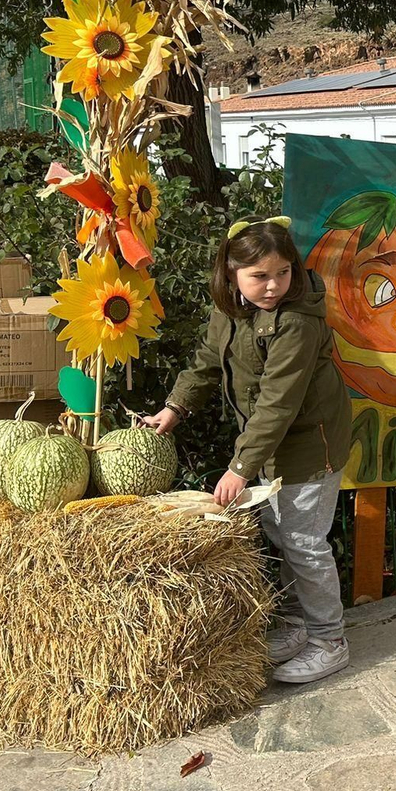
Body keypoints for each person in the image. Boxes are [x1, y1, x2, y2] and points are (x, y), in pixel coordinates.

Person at [143, 217, 353, 685]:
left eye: (283, 273)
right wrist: (174, 408)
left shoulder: (296, 322)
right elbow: (204, 362)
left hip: (307, 446)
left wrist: (241, 467)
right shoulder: (232, 309)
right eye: (260, 276)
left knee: (304, 543)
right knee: (283, 535)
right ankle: (300, 624)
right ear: (231, 273)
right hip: (270, 448)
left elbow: (279, 402)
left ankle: (330, 640)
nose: (274, 286)